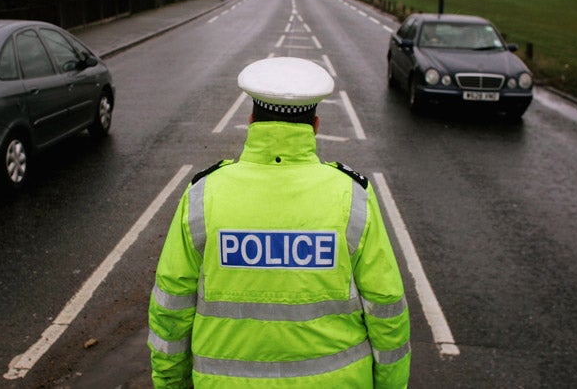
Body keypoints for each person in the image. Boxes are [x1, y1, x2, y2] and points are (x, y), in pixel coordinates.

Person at [148, 57, 411, 388]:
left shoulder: (203, 195)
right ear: (315, 125)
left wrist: (171, 383)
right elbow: (386, 310)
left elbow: (171, 310)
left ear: (250, 121)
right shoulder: (352, 197)